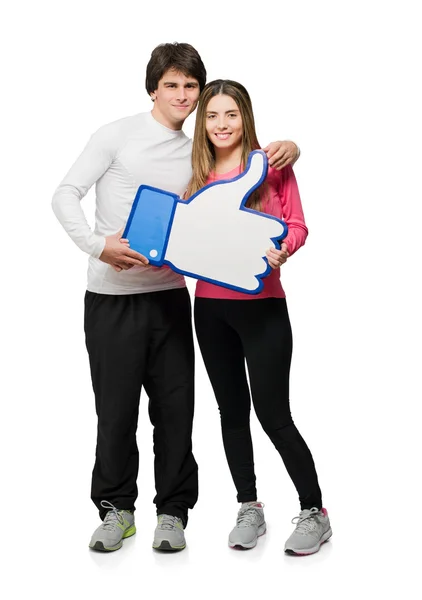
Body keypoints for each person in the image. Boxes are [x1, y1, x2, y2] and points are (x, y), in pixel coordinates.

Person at [51, 43, 300, 553]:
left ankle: (172, 512)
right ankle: (116, 510)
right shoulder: (116, 135)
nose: (183, 95)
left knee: (175, 411)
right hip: (111, 296)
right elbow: (64, 194)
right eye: (172, 85)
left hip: (170, 297)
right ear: (152, 89)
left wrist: (289, 147)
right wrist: (99, 245)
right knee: (115, 411)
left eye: (191, 86)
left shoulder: (198, 152)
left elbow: (237, 168)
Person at [190, 79, 332, 555]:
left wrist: (284, 249)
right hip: (209, 310)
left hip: (264, 307)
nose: (221, 124)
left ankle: (314, 512)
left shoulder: (271, 164)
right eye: (212, 115)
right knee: (232, 412)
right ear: (201, 122)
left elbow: (297, 223)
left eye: (231, 114)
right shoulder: (197, 171)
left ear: (245, 117)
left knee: (273, 414)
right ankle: (249, 506)